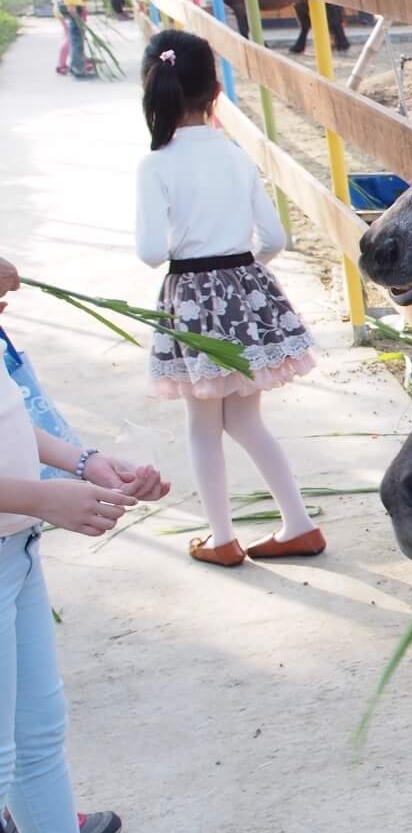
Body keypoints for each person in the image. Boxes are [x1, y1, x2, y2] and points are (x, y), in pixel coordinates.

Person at [0, 260, 194, 833]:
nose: (9, 276)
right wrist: (46, 498)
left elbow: (13, 420)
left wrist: (85, 463)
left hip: (14, 550)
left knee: (36, 735)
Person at [134, 29, 325, 568]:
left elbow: (151, 252)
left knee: (203, 424)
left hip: (192, 297)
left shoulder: (157, 165)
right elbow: (275, 239)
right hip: (244, 290)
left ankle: (221, 538)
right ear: (216, 92)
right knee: (244, 420)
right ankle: (299, 525)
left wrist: (196, 266)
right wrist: (239, 276)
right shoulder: (236, 156)